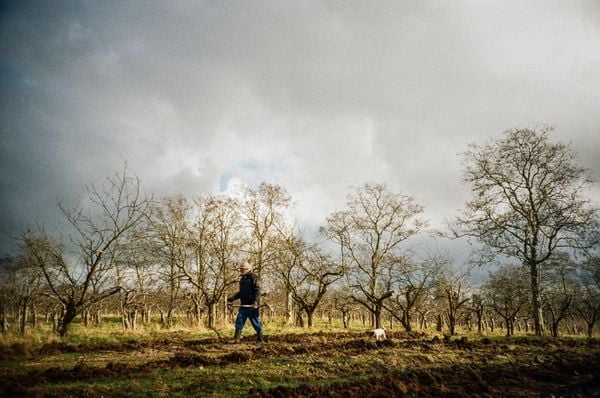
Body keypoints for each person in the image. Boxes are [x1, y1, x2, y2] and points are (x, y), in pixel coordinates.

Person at [227, 261, 264, 343]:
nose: (241, 271)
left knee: (256, 322)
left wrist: (255, 302)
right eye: (241, 269)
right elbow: (242, 292)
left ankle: (260, 339)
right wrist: (233, 298)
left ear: (247, 269)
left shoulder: (255, 278)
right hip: (243, 305)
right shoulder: (243, 280)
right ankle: (236, 339)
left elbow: (257, 291)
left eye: (242, 269)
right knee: (239, 321)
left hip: (252, 306)